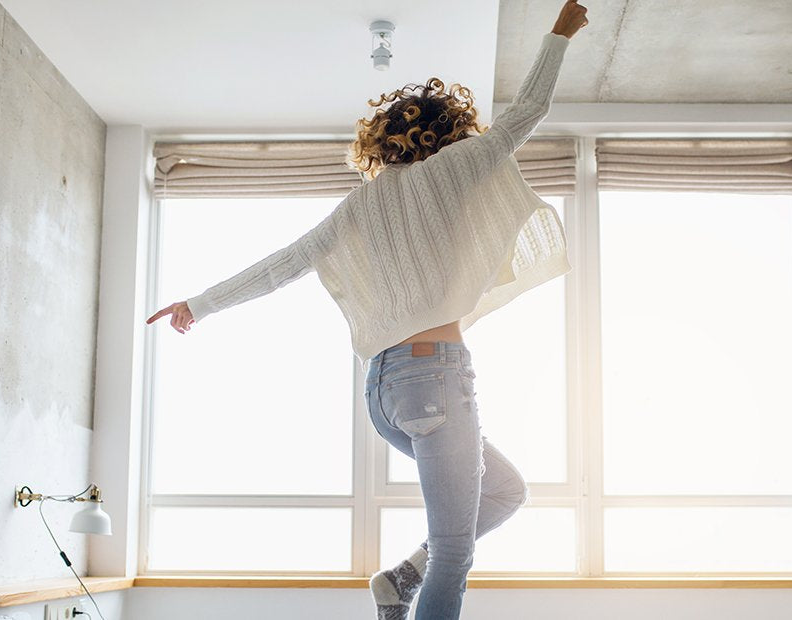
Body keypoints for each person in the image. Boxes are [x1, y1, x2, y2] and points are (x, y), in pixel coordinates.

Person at [147, 2, 588, 617]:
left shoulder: (360, 206)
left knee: (506, 489)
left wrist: (197, 304)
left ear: (383, 143)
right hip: (435, 378)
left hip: (383, 394)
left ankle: (399, 581)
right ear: (452, 131)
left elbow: (283, 264)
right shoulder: (457, 169)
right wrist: (560, 34)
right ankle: (413, 580)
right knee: (455, 552)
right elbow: (527, 112)